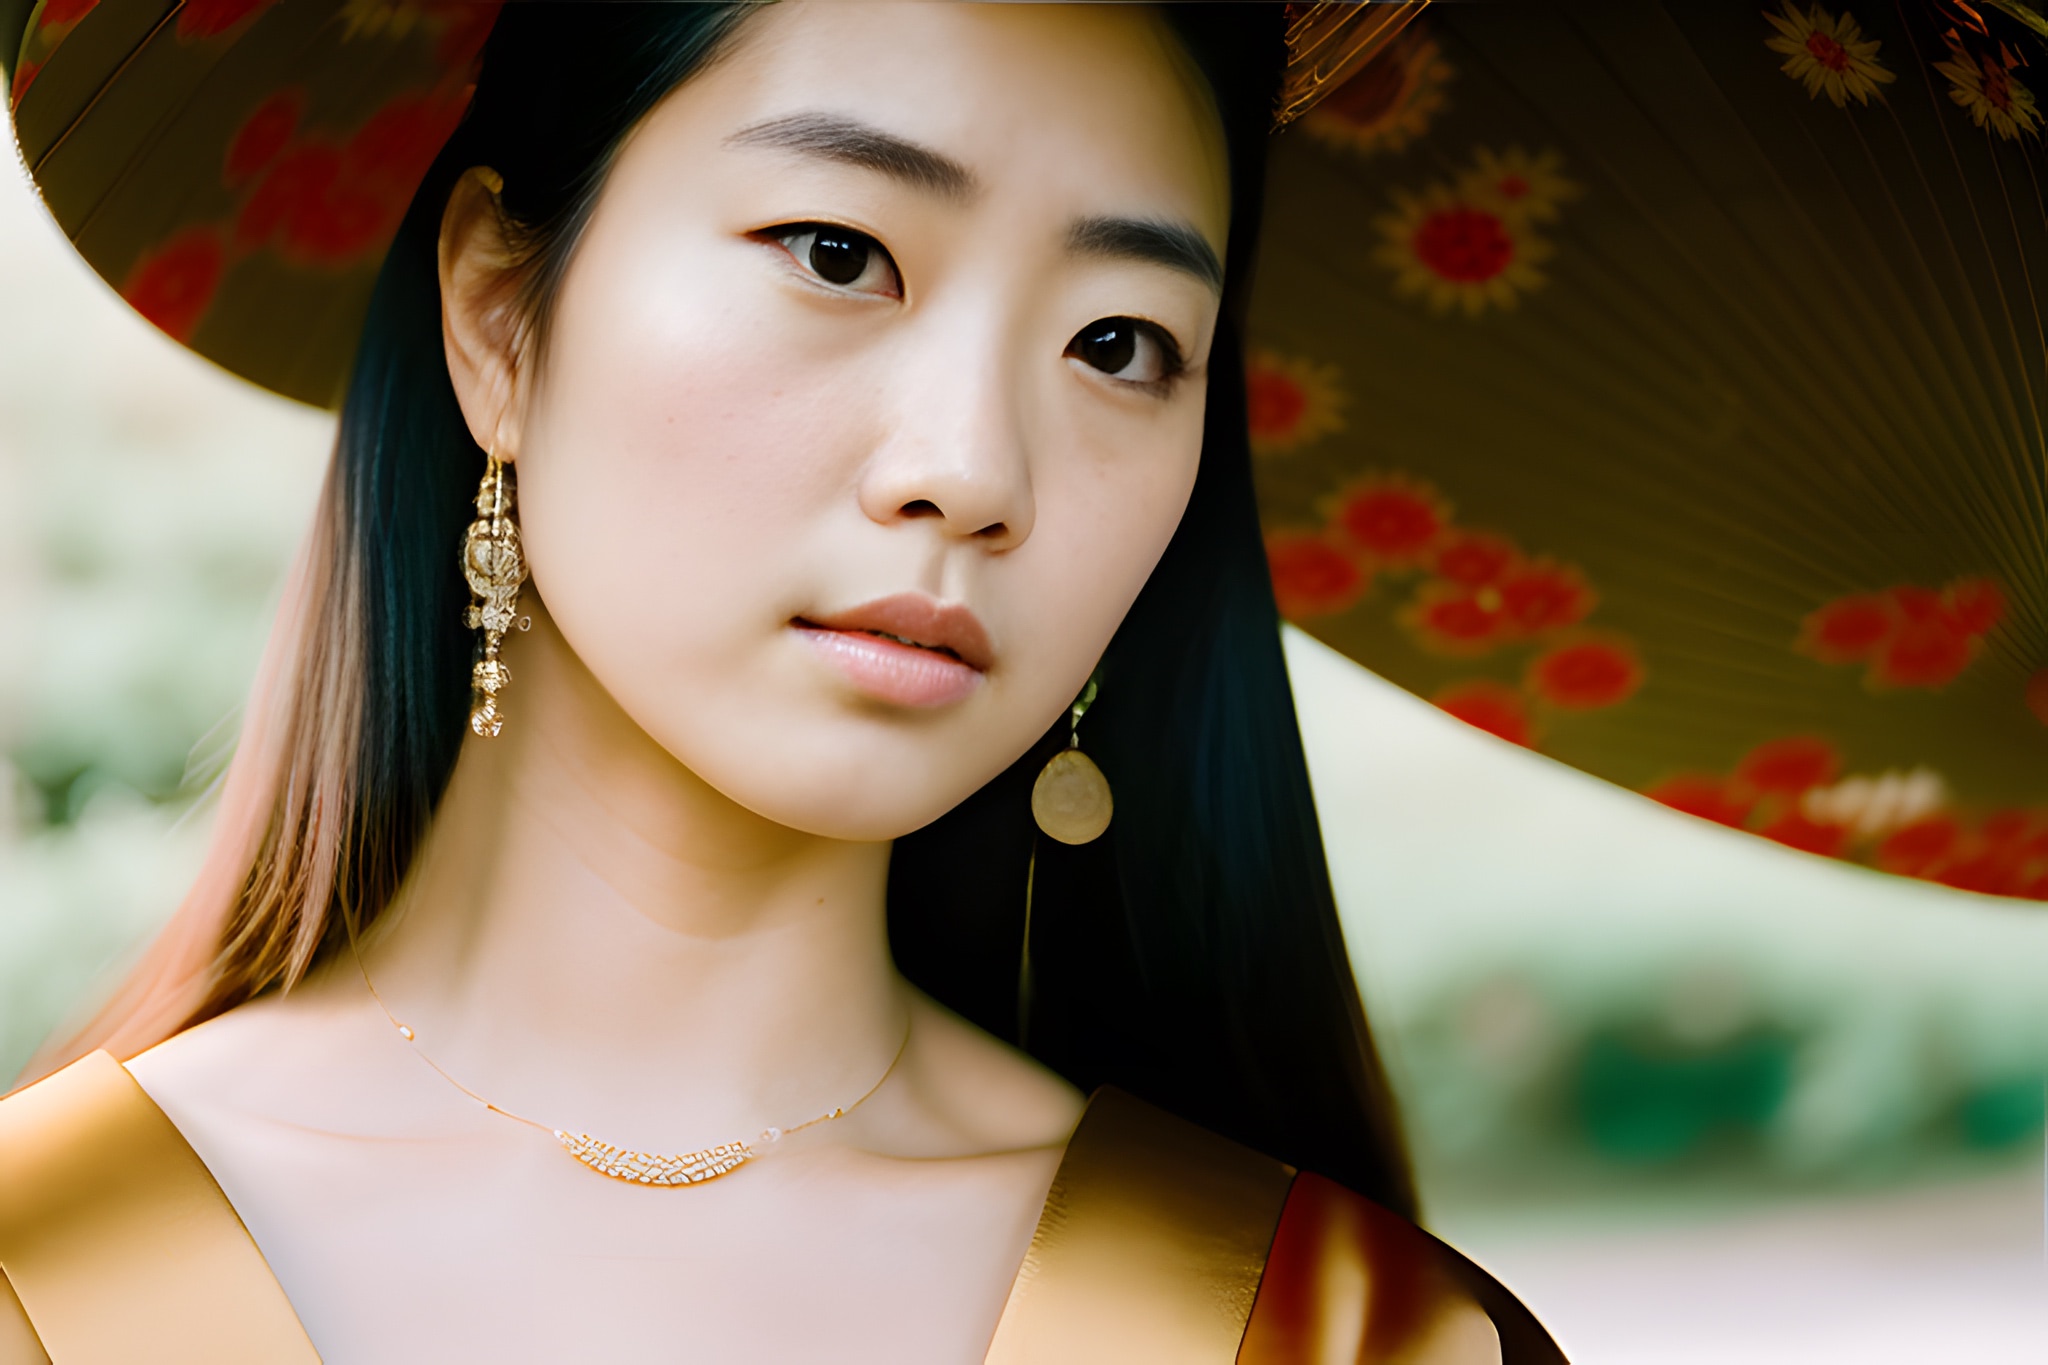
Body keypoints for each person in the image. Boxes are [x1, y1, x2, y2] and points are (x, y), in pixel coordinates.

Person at [0, 4, 1560, 1360]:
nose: (972, 468)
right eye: (841, 252)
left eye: (1121, 342)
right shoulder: (41, 1274)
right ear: (496, 309)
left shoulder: (1348, 1333)